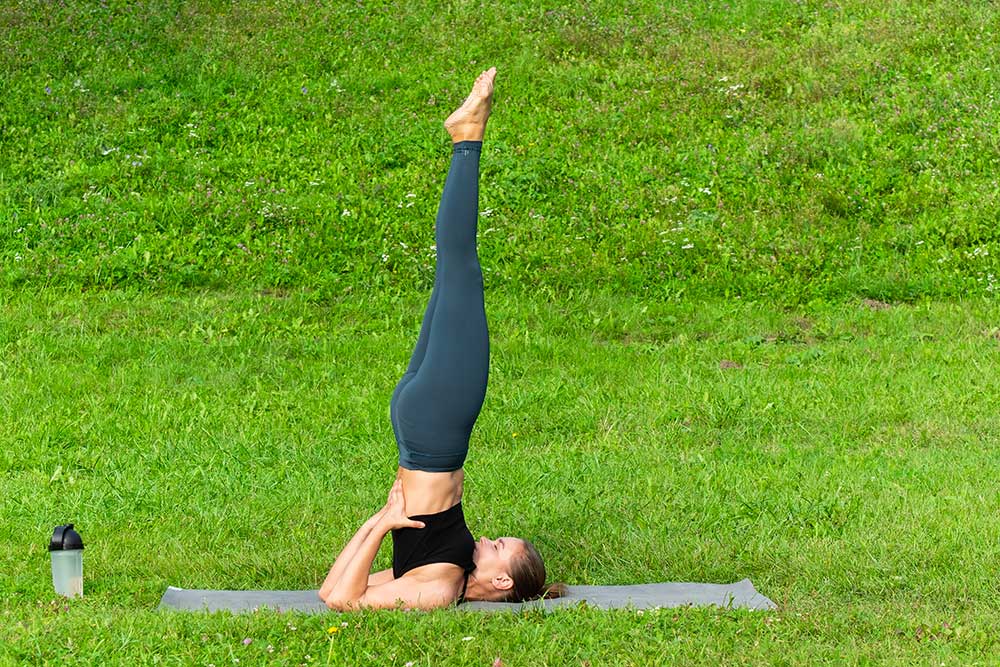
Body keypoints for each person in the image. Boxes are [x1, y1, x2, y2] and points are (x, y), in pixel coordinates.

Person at [318, 67, 565, 611]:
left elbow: (339, 600)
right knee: (449, 276)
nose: (489, 539)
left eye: (500, 546)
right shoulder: (439, 564)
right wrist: (380, 522)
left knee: (460, 266)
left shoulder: (438, 587)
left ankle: (468, 136)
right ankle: (466, 136)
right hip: (418, 427)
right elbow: (334, 589)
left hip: (437, 427)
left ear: (500, 581)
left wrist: (383, 525)